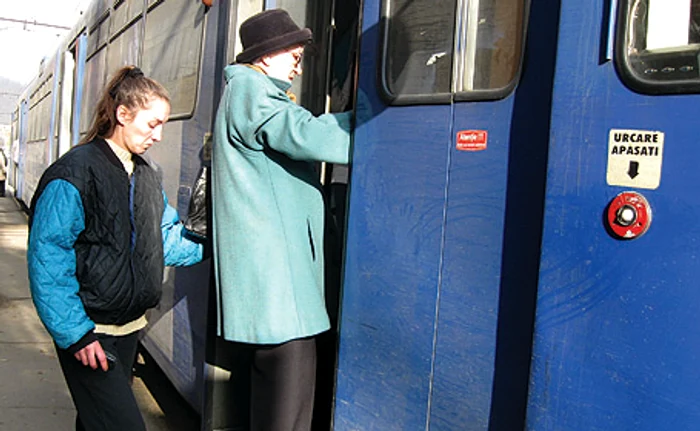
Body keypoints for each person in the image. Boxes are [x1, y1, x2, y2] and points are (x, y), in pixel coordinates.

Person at [26, 65, 204, 431]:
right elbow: (49, 257)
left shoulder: (147, 175)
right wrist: (76, 334)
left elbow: (163, 242)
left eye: (163, 124)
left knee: (96, 422)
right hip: (90, 331)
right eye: (153, 123)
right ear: (123, 115)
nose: (159, 135)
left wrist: (211, 240)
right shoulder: (74, 172)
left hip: (128, 329)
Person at [211, 8, 353, 431]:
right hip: (279, 296)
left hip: (273, 292)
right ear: (263, 56)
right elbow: (306, 135)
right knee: (287, 414)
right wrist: (373, 116)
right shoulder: (252, 90)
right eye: (291, 48)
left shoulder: (248, 91)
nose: (299, 57)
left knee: (275, 406)